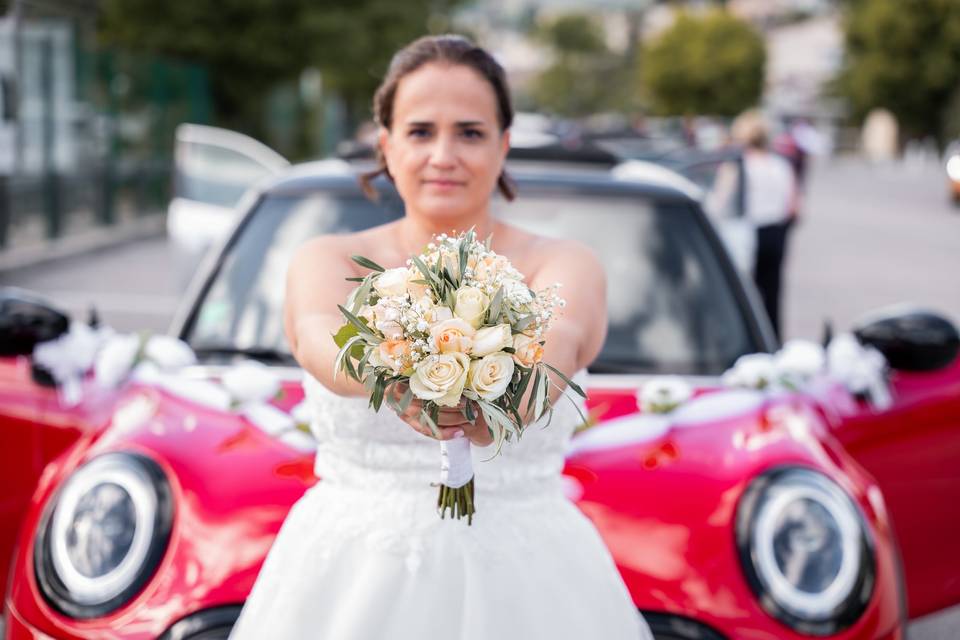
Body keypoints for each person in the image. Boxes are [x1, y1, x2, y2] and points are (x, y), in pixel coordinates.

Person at [227, 35, 654, 640]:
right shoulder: (326, 260)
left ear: (504, 145)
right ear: (387, 145)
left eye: (471, 133)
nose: (444, 155)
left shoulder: (565, 262)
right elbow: (318, 337)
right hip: (348, 582)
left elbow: (562, 338)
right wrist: (391, 379)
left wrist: (508, 404)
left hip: (532, 586)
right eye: (421, 131)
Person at [708, 110, 797, 340]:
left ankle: (748, 339)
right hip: (776, 232)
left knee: (745, 293)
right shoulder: (780, 165)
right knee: (773, 292)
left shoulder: (737, 165)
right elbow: (793, 206)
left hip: (747, 231)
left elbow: (719, 202)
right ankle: (773, 340)